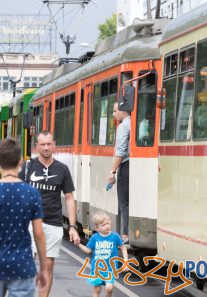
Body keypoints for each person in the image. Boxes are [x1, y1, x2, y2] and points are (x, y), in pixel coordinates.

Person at [0, 138, 47, 297]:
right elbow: (39, 233)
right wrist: (44, 269)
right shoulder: (31, 193)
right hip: (23, 266)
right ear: (20, 161)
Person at [19, 131, 80, 297]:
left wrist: (73, 227)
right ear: (36, 146)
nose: (46, 148)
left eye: (49, 144)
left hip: (53, 223)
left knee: (47, 266)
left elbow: (69, 198)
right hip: (29, 223)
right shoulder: (27, 167)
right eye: (42, 144)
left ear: (54, 145)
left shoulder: (62, 169)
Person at [77, 211, 128, 297]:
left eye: (108, 223)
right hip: (97, 269)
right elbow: (88, 251)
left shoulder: (115, 236)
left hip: (110, 270)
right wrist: (79, 244)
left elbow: (123, 248)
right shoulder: (95, 237)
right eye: (103, 225)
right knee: (97, 290)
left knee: (109, 288)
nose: (107, 226)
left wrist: (126, 262)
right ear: (97, 228)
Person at [108, 101, 131, 245]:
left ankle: (125, 234)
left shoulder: (123, 126)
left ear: (123, 112)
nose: (113, 114)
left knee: (124, 202)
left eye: (115, 111)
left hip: (125, 166)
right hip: (134, 165)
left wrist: (112, 172)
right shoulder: (135, 123)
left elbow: (120, 151)